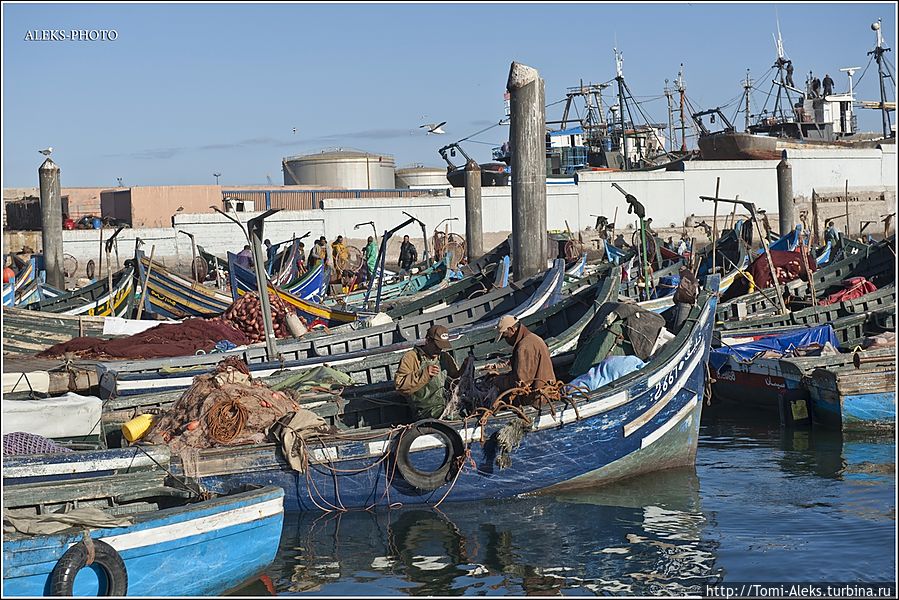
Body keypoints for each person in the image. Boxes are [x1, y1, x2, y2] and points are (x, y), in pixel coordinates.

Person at [394, 324, 469, 420]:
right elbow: (400, 386)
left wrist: (464, 368)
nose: (438, 350)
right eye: (436, 346)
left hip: (444, 405)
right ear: (428, 340)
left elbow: (454, 377)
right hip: (424, 411)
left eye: (441, 347)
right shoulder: (411, 357)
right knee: (454, 418)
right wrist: (424, 374)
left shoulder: (444, 357)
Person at [491, 315, 556, 404]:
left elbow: (521, 382)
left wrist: (498, 381)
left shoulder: (524, 346)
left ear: (512, 330)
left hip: (539, 399)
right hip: (545, 392)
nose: (506, 341)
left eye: (505, 337)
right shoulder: (532, 338)